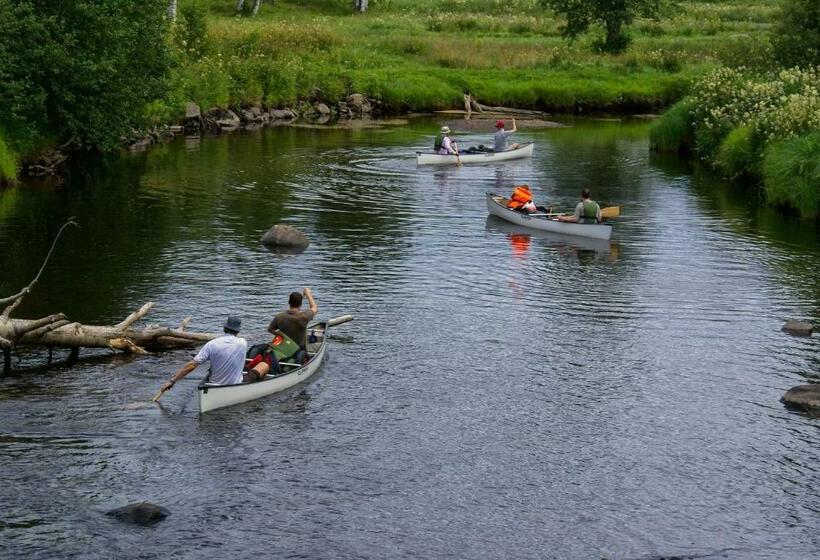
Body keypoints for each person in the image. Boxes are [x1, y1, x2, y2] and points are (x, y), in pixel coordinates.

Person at [159, 316, 248, 393]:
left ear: (224, 328)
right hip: (235, 385)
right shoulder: (243, 343)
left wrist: (172, 381)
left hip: (213, 386)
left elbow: (192, 365)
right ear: (237, 331)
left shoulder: (211, 344)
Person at [268, 287, 318, 358]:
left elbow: (270, 329)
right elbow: (314, 308)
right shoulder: (304, 316)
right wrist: (308, 294)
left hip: (284, 348)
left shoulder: (279, 317)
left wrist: (281, 335)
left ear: (289, 302)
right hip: (299, 351)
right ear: (300, 304)